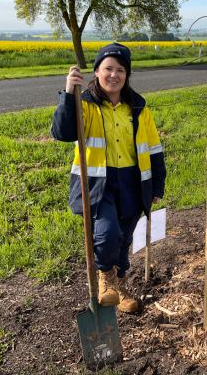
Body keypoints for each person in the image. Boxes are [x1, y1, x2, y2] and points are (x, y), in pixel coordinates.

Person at [50, 43, 166, 313]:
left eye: (120, 70)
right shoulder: (85, 103)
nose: (114, 75)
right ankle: (106, 278)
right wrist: (69, 94)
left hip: (133, 182)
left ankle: (121, 287)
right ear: (97, 72)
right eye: (108, 69)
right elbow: (62, 132)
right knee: (108, 233)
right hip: (97, 184)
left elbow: (154, 149)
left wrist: (157, 184)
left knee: (124, 238)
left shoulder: (138, 109)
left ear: (127, 75)